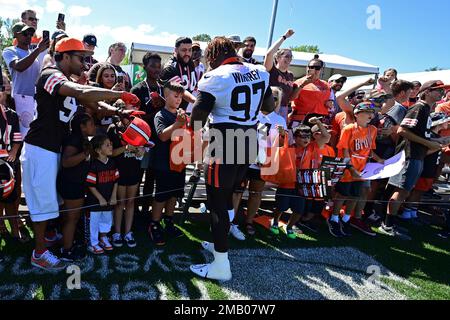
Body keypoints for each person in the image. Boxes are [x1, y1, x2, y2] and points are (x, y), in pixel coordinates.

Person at [21, 37, 139, 271]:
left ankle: (48, 239)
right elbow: (81, 90)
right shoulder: (50, 74)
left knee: (54, 200)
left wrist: (116, 110)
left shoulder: (65, 79)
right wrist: (115, 95)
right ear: (64, 56)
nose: (85, 62)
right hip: (40, 148)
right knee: (43, 202)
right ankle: (39, 252)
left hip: (54, 148)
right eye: (80, 57)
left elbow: (86, 101)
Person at [189, 36, 274, 281]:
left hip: (225, 140)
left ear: (213, 54)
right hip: (248, 138)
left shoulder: (217, 76)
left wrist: (196, 137)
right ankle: (220, 242)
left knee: (216, 200)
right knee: (227, 196)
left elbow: (198, 116)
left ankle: (221, 265)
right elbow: (268, 106)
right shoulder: (259, 71)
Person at [381, 80, 449, 240]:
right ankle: (387, 225)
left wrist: (439, 141)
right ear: (427, 91)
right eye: (437, 90)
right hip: (410, 155)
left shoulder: (425, 109)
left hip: (416, 155)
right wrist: (429, 143)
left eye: (442, 90)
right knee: (401, 190)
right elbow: (403, 130)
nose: (441, 93)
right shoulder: (419, 107)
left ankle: (389, 222)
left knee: (404, 191)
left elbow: (421, 134)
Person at [330, 102, 384, 238]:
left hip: (363, 168)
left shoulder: (373, 129)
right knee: (342, 194)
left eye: (372, 112)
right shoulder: (349, 128)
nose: (370, 115)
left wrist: (380, 160)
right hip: (348, 168)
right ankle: (334, 219)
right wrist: (350, 168)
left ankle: (347, 219)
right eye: (367, 112)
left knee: (356, 195)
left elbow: (370, 150)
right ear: (357, 114)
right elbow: (344, 150)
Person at [148, 82, 187, 246]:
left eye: (180, 96)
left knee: (174, 194)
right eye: (174, 96)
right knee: (162, 194)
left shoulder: (183, 115)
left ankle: (169, 221)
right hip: (163, 163)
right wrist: (178, 124)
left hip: (179, 162)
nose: (178, 100)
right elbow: (162, 136)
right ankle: (154, 224)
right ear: (165, 95)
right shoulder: (160, 115)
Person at [57, 113, 96, 262]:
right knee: (72, 219)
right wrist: (86, 153)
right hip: (71, 184)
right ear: (82, 126)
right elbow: (66, 162)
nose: (94, 126)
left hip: (75, 183)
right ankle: (66, 251)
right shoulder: (74, 139)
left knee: (70, 217)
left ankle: (67, 243)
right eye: (91, 124)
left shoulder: (81, 139)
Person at [131, 52, 165, 214]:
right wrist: (153, 110)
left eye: (159, 66)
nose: (156, 69)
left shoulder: (164, 89)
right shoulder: (137, 89)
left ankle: (146, 210)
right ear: (145, 67)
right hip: (141, 140)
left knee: (152, 177)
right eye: (153, 66)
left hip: (159, 140)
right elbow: (133, 117)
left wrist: (162, 107)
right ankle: (135, 210)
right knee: (137, 176)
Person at [2, 22, 49, 136]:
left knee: (34, 135)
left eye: (31, 33)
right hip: (20, 99)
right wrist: (38, 49)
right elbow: (19, 67)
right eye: (25, 33)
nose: (29, 36)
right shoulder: (9, 51)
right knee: (23, 136)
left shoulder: (34, 55)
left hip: (34, 100)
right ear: (16, 35)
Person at [401, 112, 450, 221]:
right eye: (445, 120)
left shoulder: (437, 136)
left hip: (431, 168)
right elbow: (425, 152)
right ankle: (406, 211)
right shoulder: (429, 136)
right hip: (425, 166)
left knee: (421, 191)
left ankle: (413, 211)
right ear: (439, 122)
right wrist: (439, 146)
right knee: (416, 191)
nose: (447, 122)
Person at [108, 101, 144, 248]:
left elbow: (142, 150)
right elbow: (110, 153)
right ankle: (117, 232)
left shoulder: (139, 127)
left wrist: (140, 150)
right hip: (119, 172)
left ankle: (128, 232)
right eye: (131, 108)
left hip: (134, 170)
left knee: (130, 202)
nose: (134, 111)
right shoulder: (113, 129)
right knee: (119, 203)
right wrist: (126, 147)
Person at [270, 125, 310, 239]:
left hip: (302, 185)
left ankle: (289, 226)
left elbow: (325, 137)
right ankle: (275, 221)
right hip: (286, 183)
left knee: (299, 209)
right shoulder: (289, 147)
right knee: (281, 206)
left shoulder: (311, 148)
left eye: (308, 136)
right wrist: (283, 133)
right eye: (302, 137)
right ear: (295, 138)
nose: (306, 139)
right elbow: (281, 141)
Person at [0, 73, 26, 243]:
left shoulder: (11, 113)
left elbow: (17, 138)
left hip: (9, 163)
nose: (6, 87)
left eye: (6, 84)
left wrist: (14, 152)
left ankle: (15, 231)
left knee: (12, 197)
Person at [85, 135, 118, 254]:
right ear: (98, 150)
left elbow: (115, 181)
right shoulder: (94, 165)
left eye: (111, 144)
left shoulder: (112, 163)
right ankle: (93, 242)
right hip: (95, 201)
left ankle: (103, 237)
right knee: (94, 222)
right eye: (107, 145)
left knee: (107, 219)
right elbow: (90, 185)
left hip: (109, 200)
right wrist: (100, 198)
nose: (111, 147)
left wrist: (114, 196)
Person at [290, 55, 334, 126]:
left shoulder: (326, 85)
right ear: (307, 68)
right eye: (311, 67)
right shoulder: (298, 82)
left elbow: (330, 101)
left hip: (320, 119)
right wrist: (302, 85)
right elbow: (291, 98)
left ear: (321, 70)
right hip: (301, 118)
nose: (314, 69)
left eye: (317, 68)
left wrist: (330, 103)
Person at [264, 29, 295, 123]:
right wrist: (284, 37)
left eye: (291, 56)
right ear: (277, 58)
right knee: (264, 134)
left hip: (283, 109)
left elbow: (290, 97)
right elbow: (269, 54)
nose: (289, 58)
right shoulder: (272, 70)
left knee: (279, 135)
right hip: (269, 107)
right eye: (286, 56)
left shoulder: (290, 75)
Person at [160, 37, 197, 111]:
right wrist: (197, 101)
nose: (187, 53)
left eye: (190, 50)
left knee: (199, 120)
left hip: (186, 110)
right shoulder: (169, 67)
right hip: (170, 114)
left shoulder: (190, 63)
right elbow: (181, 91)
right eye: (184, 50)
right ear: (176, 50)